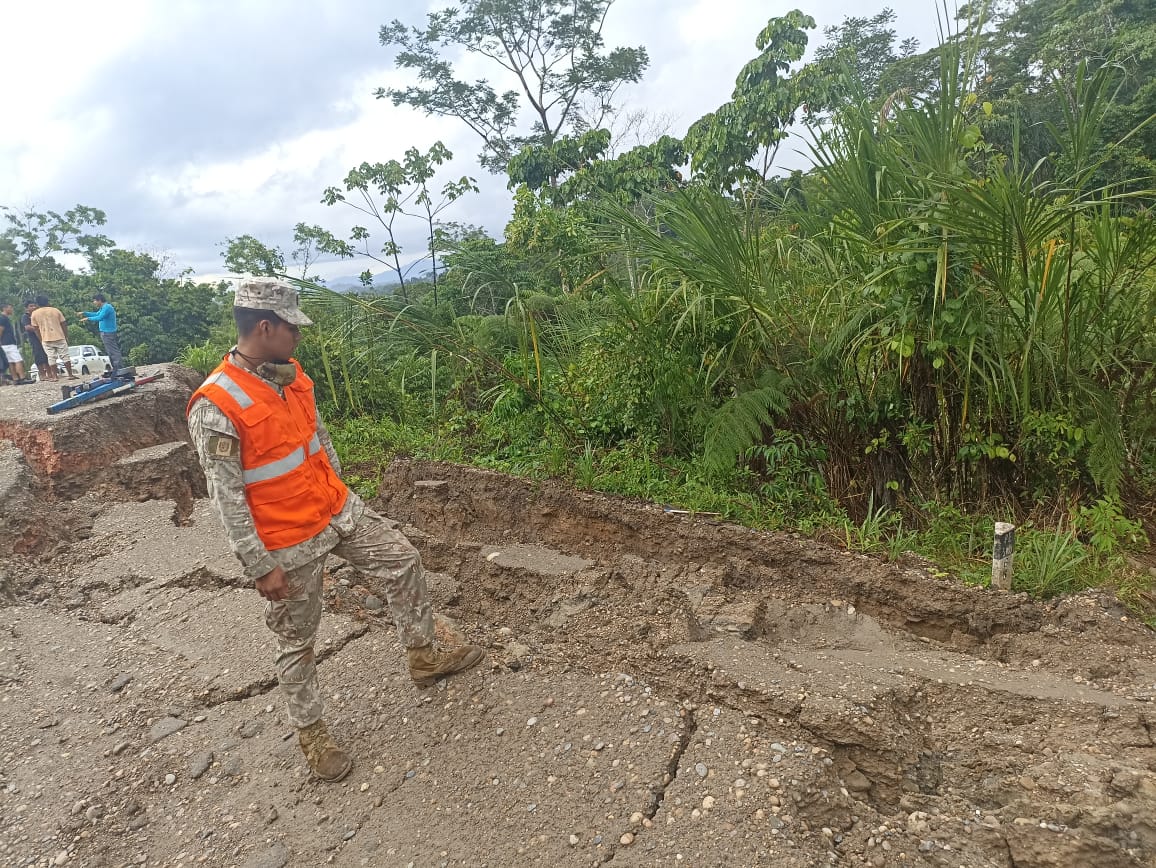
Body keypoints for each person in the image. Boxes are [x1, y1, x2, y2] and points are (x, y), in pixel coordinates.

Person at [185, 278, 484, 782]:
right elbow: (226, 497)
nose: (298, 337)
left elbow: (317, 435)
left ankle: (423, 655)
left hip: (334, 508)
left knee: (403, 560)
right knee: (298, 640)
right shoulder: (216, 403)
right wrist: (260, 565)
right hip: (287, 541)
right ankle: (312, 734)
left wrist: (339, 483)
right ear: (264, 327)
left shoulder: (291, 374)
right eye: (291, 328)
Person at [29, 295, 74, 380]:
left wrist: (40, 338)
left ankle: (55, 376)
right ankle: (70, 375)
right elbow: (63, 323)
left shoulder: (35, 313)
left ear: (37, 304)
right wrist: (66, 335)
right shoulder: (55, 310)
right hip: (59, 336)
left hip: (46, 338)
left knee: (51, 357)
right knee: (65, 356)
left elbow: (35, 328)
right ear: (47, 302)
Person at [78, 292, 123, 371]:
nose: (94, 303)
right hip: (105, 332)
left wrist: (88, 319)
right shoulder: (103, 308)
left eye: (94, 301)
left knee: (113, 350)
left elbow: (100, 317)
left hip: (108, 332)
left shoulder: (107, 307)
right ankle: (115, 368)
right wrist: (85, 313)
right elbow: (96, 314)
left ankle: (119, 367)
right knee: (109, 351)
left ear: (99, 300)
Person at [22, 300, 50, 381]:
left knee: (47, 355)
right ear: (26, 308)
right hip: (34, 339)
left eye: (34, 305)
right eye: (31, 306)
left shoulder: (38, 314)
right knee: (38, 356)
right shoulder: (25, 316)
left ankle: (50, 373)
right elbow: (27, 327)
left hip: (44, 337)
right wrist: (38, 328)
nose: (33, 307)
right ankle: (42, 375)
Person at [0, 303, 28, 382]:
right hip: (8, 343)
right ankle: (22, 377)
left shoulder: (4, 318)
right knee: (17, 360)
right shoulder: (3, 318)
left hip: (5, 344)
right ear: (5, 308)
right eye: (10, 308)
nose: (12, 309)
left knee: (11, 362)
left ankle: (15, 379)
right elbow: (0, 330)